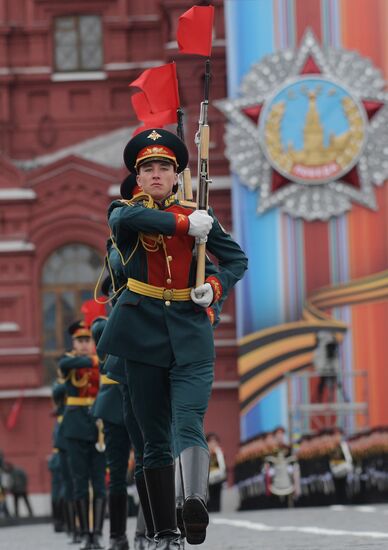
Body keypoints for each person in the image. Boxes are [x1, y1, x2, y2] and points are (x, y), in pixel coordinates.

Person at [97, 128, 248, 549]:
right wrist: (186, 222)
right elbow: (128, 221)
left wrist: (214, 288)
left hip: (190, 331)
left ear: (178, 174)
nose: (157, 174)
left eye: (164, 167)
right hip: (140, 333)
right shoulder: (124, 212)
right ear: (138, 177)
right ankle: (165, 532)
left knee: (188, 420)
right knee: (154, 440)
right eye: (148, 169)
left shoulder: (202, 216)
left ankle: (195, 504)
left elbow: (235, 259)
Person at [59, 321, 106, 550]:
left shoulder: (100, 361)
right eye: (81, 340)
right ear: (73, 342)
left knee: (99, 483)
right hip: (76, 427)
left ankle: (97, 533)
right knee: (79, 483)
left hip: (98, 427)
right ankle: (84, 533)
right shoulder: (68, 362)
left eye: (88, 340)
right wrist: (95, 359)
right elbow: (68, 363)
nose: (85, 344)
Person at [206, 433, 226, 513]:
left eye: (215, 442)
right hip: (207, 480)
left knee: (217, 498)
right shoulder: (205, 452)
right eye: (211, 442)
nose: (213, 444)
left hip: (218, 479)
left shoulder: (219, 453)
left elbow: (223, 466)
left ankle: (217, 512)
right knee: (208, 499)